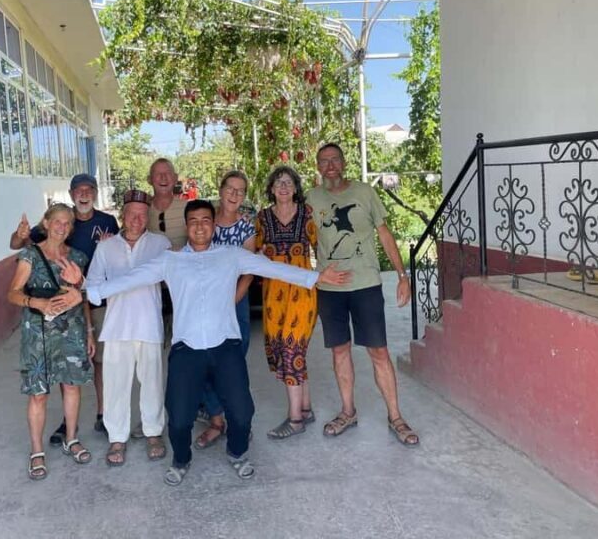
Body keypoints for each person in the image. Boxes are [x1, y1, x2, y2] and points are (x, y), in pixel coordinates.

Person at [86, 200, 350, 486]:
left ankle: (237, 453)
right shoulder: (170, 260)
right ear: (187, 226)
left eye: (205, 220)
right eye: (194, 221)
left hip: (225, 347)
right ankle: (181, 460)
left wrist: (316, 277)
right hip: (187, 350)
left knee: (241, 411)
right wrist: (89, 291)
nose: (200, 226)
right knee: (179, 417)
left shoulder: (231, 256)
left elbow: (273, 268)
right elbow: (130, 280)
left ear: (213, 225)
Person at [306, 142, 419, 446]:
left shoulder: (364, 192)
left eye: (334, 159)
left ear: (343, 163)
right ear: (318, 167)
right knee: (339, 351)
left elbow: (384, 233)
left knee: (378, 352)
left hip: (366, 284)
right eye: (324, 160)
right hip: (330, 289)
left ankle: (395, 416)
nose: (330, 164)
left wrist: (402, 275)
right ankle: (348, 412)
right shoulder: (311, 199)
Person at [11, 173, 119, 444]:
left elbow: (120, 256)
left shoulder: (107, 222)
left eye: (89, 189)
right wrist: (18, 234)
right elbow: (20, 245)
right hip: (56, 309)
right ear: (71, 194)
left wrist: (110, 246)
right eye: (79, 190)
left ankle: (102, 415)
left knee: (96, 362)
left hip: (95, 298)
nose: (84, 193)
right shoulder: (58, 219)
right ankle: (66, 426)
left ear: (95, 193)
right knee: (62, 372)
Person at [6, 203, 94, 480]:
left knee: (71, 386)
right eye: (57, 221)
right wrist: (37, 302)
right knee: (39, 393)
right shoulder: (30, 255)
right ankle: (36, 451)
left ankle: (70, 438)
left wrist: (89, 331)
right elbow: (13, 294)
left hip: (72, 330)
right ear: (45, 222)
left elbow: (84, 298)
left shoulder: (77, 257)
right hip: (38, 332)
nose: (62, 227)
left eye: (68, 223)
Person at [85, 189, 171, 466]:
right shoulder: (105, 247)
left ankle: (153, 432)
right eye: (132, 213)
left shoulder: (161, 244)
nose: (137, 219)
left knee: (153, 384)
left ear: (149, 216)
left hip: (149, 325)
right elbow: (93, 286)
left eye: (143, 214)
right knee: (115, 385)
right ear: (122, 215)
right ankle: (117, 437)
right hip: (117, 327)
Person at [255, 166, 320, 439]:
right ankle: (305, 408)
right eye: (278, 182)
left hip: (303, 294)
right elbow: (254, 255)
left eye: (288, 182)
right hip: (273, 297)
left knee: (293, 348)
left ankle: (295, 420)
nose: (283, 187)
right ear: (271, 188)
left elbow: (323, 250)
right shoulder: (262, 218)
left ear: (296, 189)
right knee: (283, 349)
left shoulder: (308, 215)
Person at [195, 171, 256, 449]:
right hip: (205, 302)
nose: (234, 194)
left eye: (240, 191)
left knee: (233, 365)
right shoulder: (204, 220)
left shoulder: (246, 227)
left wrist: (232, 299)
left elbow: (249, 269)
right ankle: (216, 421)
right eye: (230, 188)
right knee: (204, 362)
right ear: (220, 190)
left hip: (235, 301)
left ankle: (238, 422)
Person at [146, 158, 187, 250]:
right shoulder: (143, 210)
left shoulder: (188, 208)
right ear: (149, 179)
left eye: (168, 173)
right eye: (157, 174)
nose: (163, 177)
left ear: (175, 178)